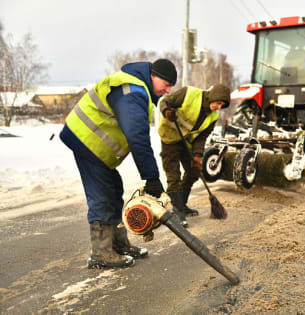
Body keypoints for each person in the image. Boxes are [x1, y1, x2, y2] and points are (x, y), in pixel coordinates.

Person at [59, 59, 177, 269]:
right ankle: (101, 253)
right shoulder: (132, 92)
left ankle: (119, 244)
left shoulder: (136, 89)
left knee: (114, 190)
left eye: (170, 87)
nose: (167, 90)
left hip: (94, 146)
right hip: (86, 141)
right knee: (102, 194)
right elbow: (137, 137)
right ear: (153, 75)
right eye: (165, 84)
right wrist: (151, 177)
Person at [158, 84, 231, 227]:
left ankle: (182, 204)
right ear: (213, 97)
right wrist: (167, 111)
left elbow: (201, 137)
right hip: (170, 137)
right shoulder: (188, 94)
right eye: (219, 103)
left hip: (186, 141)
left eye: (222, 105)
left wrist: (197, 156)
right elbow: (164, 101)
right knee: (173, 176)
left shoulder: (213, 116)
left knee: (193, 172)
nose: (219, 107)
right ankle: (177, 211)